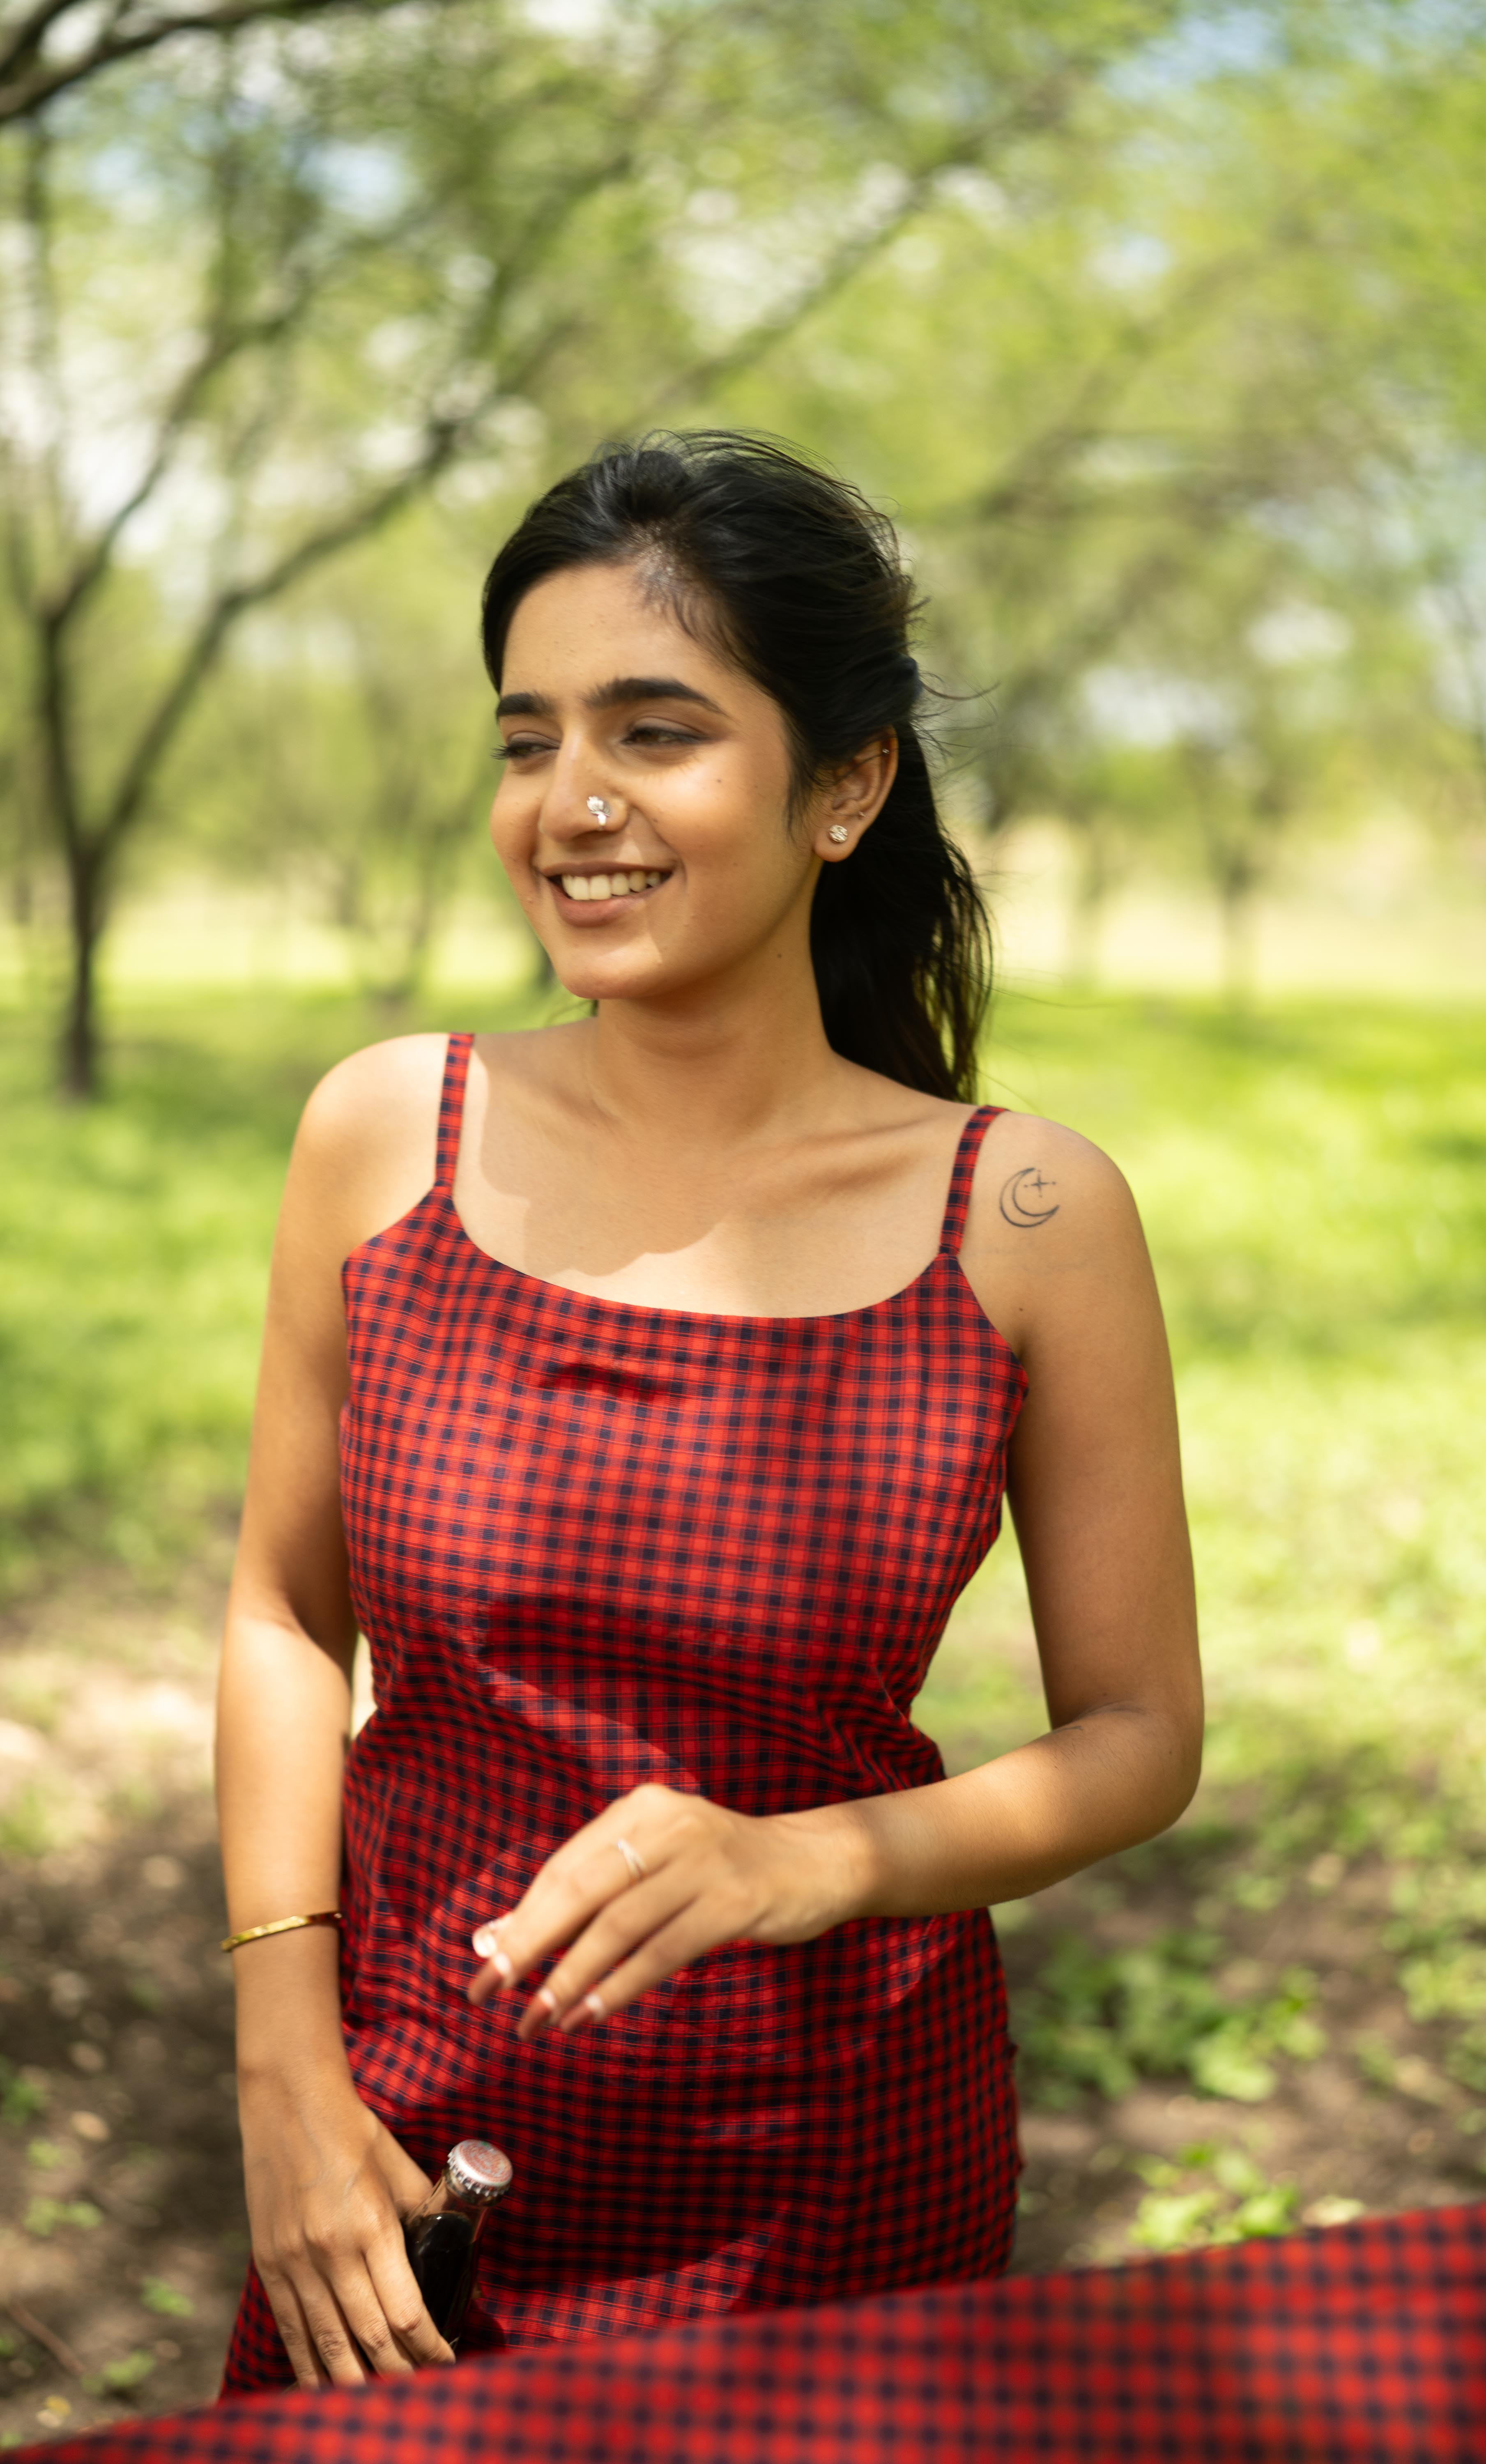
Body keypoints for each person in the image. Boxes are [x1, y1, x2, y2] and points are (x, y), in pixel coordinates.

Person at [215, 431, 1202, 2395]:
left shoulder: (1021, 1217)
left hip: (838, 2192)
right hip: (401, 2154)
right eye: (526, 738)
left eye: (652, 732)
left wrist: (811, 1860)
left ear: (845, 785)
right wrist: (281, 2074)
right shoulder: (383, 1134)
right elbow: (275, 1613)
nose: (570, 803)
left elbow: (1139, 1736)